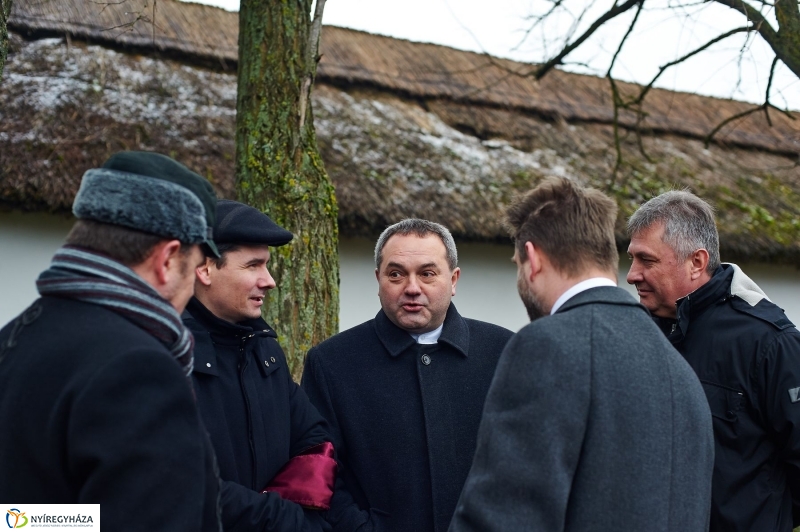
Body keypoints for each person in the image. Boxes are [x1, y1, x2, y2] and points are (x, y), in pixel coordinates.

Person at [450, 177, 714, 532]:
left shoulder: (546, 346)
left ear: (532, 258)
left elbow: (501, 518)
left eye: (517, 263)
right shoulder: (679, 369)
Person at [0, 151, 222, 531]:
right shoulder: (139, 369)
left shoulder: (14, 337)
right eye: (199, 264)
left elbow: (21, 514)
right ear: (168, 259)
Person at [301, 218, 514, 532]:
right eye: (396, 274)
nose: (412, 288)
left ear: (453, 280)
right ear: (378, 280)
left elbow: (525, 463)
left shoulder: (504, 351)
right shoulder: (331, 362)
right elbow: (320, 473)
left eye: (427, 274)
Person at [626, 190, 800, 532]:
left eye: (647, 260)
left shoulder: (769, 343)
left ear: (696, 262)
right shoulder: (635, 332)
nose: (632, 274)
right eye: (632, 259)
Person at [183, 199, 335, 532]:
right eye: (253, 265)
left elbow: (314, 440)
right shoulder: (167, 355)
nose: (269, 281)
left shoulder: (264, 349)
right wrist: (277, 517)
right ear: (205, 269)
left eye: (266, 266)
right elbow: (175, 483)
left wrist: (297, 509)